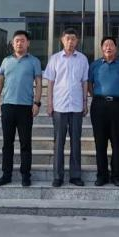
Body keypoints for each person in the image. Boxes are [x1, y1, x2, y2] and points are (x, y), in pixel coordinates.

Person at [0, 30, 43, 187]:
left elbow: (39, 83)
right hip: (8, 106)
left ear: (28, 43)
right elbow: (0, 82)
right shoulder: (6, 61)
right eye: (16, 41)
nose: (19, 43)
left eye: (22, 40)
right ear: (12, 44)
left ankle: (25, 175)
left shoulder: (34, 61)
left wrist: (37, 103)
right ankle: (6, 174)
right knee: (7, 143)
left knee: (25, 143)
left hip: (25, 107)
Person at [43, 28, 90, 187]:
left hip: (76, 106)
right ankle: (58, 176)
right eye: (67, 38)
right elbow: (50, 83)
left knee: (76, 142)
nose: (70, 41)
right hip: (59, 106)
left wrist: (85, 103)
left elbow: (84, 82)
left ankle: (75, 176)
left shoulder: (82, 59)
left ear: (77, 41)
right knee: (59, 142)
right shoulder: (55, 59)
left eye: (73, 38)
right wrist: (49, 103)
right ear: (62, 40)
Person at [88, 36, 119, 187]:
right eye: (105, 45)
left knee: (117, 142)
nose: (108, 47)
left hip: (117, 105)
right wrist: (96, 97)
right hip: (98, 105)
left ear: (116, 48)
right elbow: (89, 84)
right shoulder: (94, 65)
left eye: (111, 45)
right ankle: (102, 175)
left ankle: (117, 175)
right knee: (100, 142)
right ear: (101, 48)